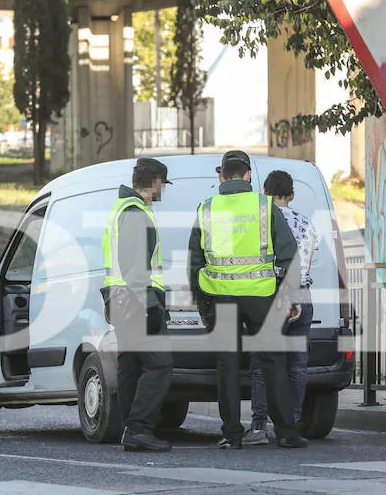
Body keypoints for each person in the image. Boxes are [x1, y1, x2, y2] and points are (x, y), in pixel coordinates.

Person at [188, 151, 306, 449]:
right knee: (273, 361)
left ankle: (231, 433)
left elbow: (194, 261)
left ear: (221, 176)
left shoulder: (206, 208)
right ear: (249, 175)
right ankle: (286, 433)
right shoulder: (265, 206)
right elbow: (289, 254)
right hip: (262, 296)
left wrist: (202, 305)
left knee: (226, 364)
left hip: (220, 296)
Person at [101, 158, 174, 452]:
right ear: (154, 181)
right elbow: (135, 267)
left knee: (130, 365)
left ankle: (131, 429)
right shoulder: (135, 213)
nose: (163, 191)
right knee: (160, 364)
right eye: (162, 185)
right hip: (135, 300)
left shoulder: (124, 208)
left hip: (121, 300)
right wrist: (149, 305)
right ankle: (139, 428)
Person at [243, 171, 319, 445]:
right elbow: (309, 258)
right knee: (297, 365)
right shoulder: (305, 223)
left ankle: (259, 426)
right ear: (292, 195)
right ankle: (291, 423)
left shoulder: (260, 223)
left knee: (262, 365)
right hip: (302, 294)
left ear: (265, 193)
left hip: (272, 295)